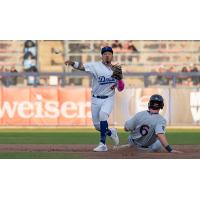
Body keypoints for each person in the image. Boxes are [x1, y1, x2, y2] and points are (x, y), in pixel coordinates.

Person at [65, 46, 125, 152]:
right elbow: (82, 66)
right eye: (105, 53)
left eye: (109, 53)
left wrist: (120, 79)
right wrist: (72, 63)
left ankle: (102, 144)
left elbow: (120, 88)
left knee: (103, 115)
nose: (107, 55)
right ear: (101, 56)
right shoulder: (95, 66)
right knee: (98, 126)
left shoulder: (116, 69)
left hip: (108, 98)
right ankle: (111, 132)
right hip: (95, 99)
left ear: (112, 56)